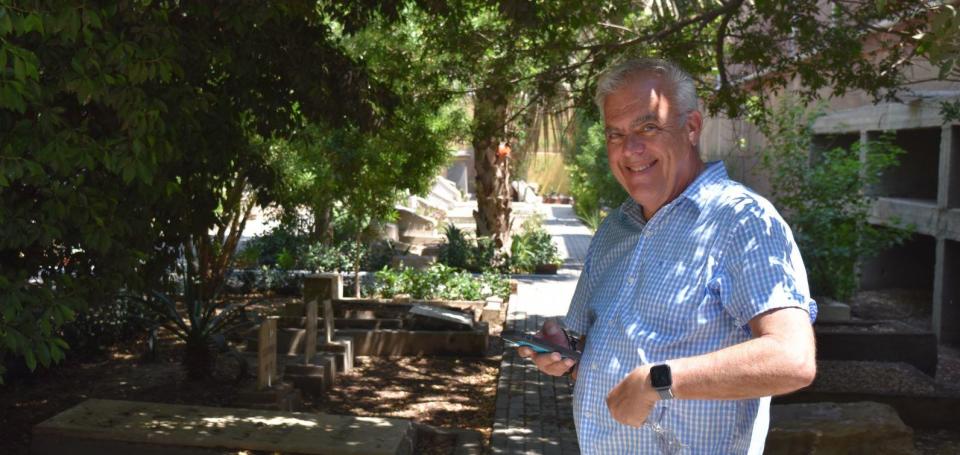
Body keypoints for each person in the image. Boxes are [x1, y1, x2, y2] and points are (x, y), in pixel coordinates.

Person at [517, 57, 818, 454]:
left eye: (648, 127)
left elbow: (792, 358)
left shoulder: (742, 221)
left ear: (691, 127)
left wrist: (658, 381)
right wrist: (567, 352)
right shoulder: (615, 229)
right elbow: (603, 347)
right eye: (615, 134)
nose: (630, 149)